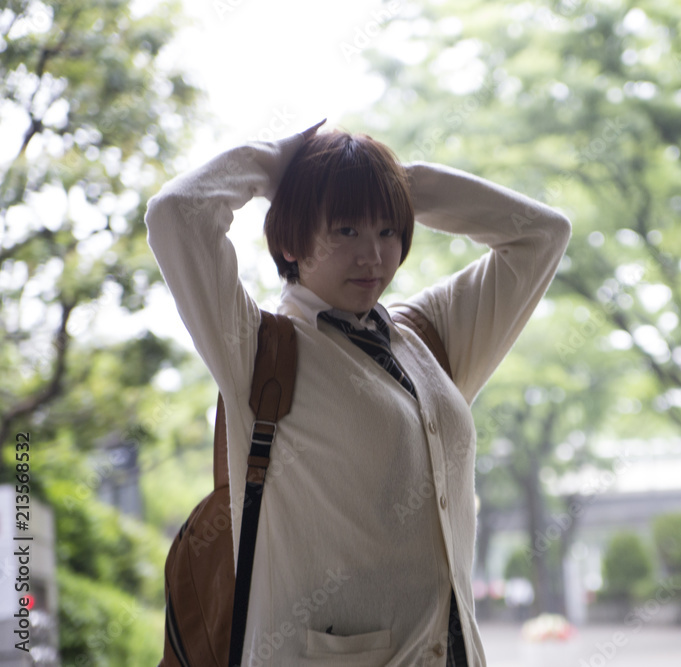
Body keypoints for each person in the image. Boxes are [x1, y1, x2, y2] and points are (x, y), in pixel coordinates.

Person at [144, 119, 571, 666]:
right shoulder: (256, 347)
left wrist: (395, 182)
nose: (373, 255)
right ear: (292, 241)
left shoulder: (427, 336)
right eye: (346, 230)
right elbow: (175, 213)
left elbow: (542, 234)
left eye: (388, 231)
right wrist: (278, 165)